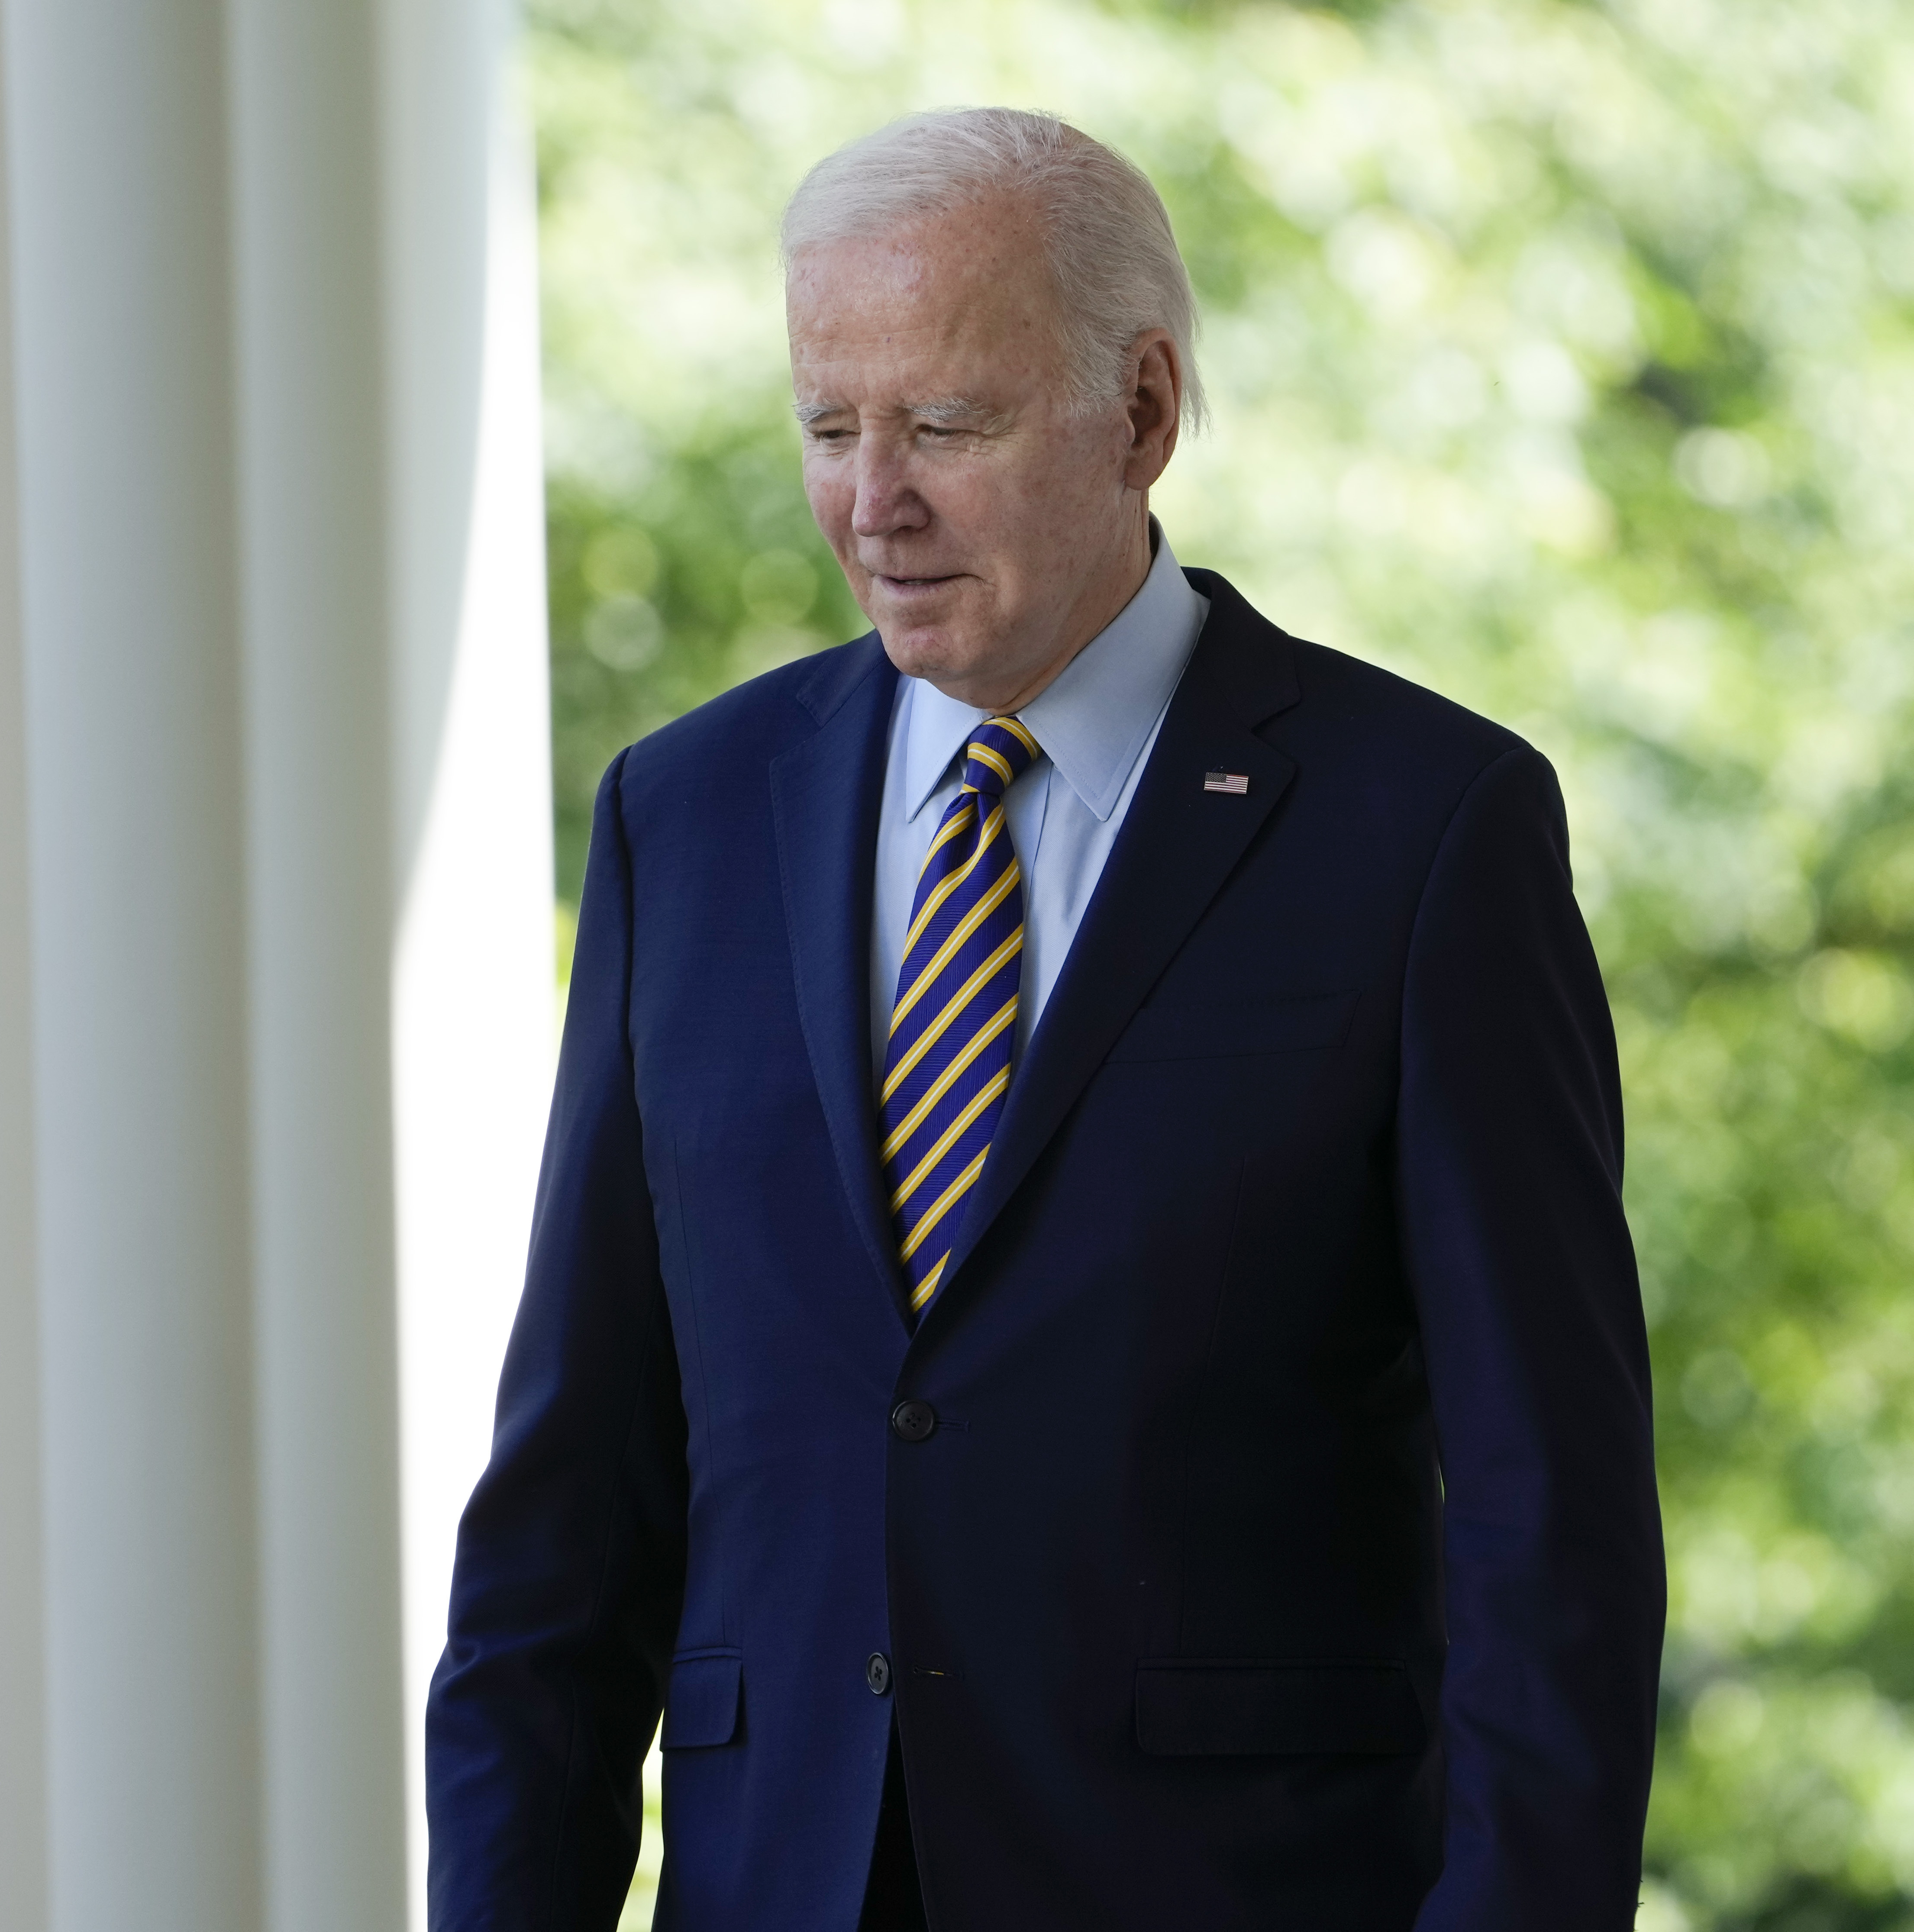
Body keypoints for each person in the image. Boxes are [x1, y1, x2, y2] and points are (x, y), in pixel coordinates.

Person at [424, 106, 1664, 1931]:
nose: (872, 500)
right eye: (830, 428)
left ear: (1142, 413)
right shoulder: (682, 815)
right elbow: (569, 1507)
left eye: (946, 425)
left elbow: (1551, 1525)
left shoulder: (1426, 829)